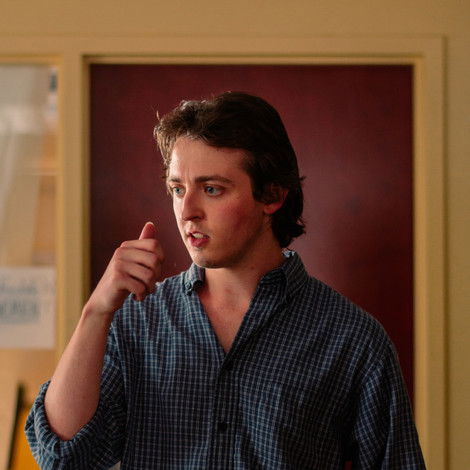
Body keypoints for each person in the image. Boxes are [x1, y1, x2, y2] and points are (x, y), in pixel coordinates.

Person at [26, 92, 425, 469]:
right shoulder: (136, 320)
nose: (187, 211)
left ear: (272, 196)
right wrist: (96, 312)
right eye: (177, 189)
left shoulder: (352, 340)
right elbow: (61, 458)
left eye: (212, 189)